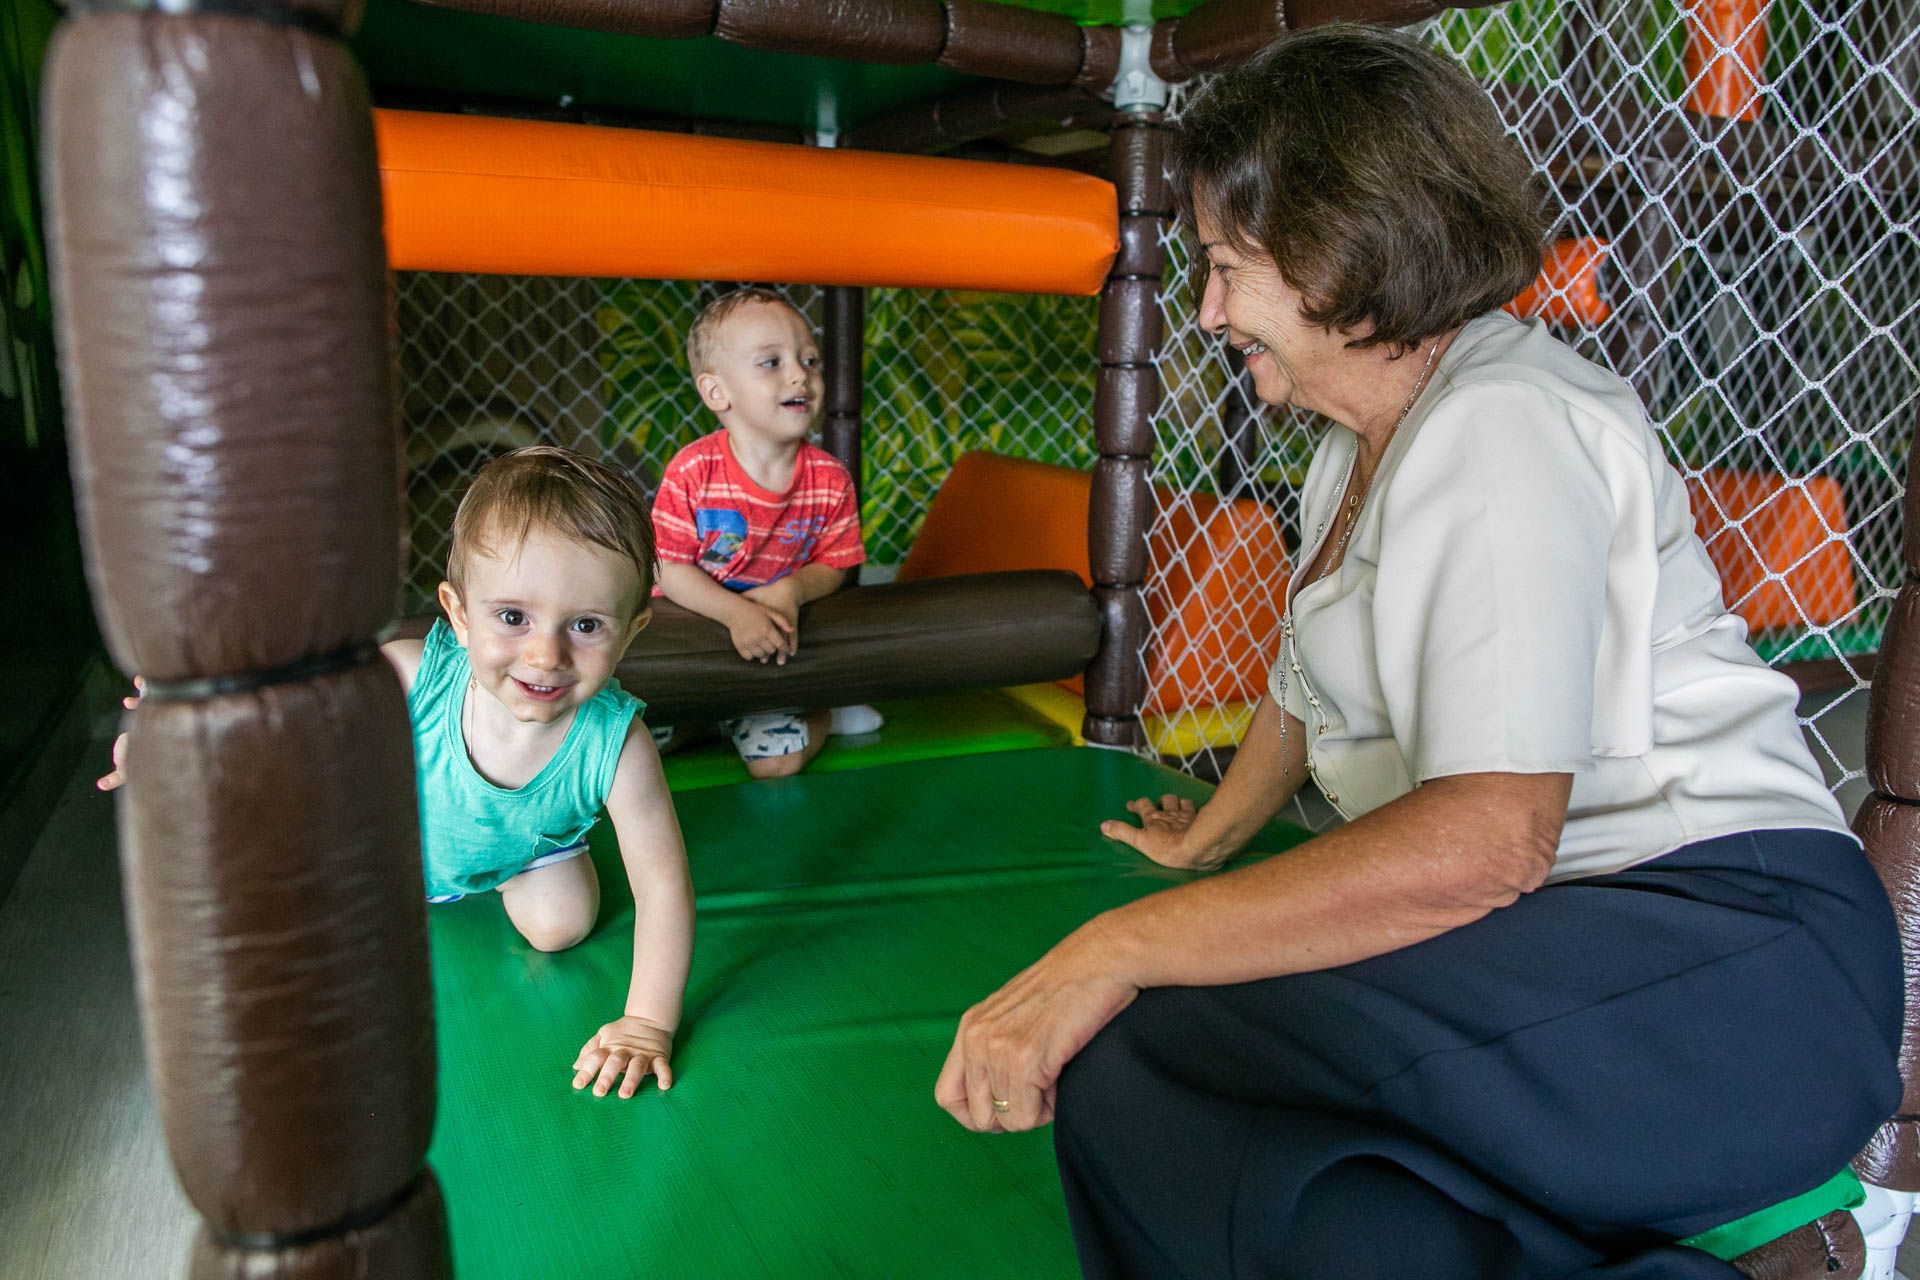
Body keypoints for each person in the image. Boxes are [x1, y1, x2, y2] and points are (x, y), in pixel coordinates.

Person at [934, 25, 1901, 1280]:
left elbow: (1491, 840)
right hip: (1585, 943)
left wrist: (1114, 943)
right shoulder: (1359, 441)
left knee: (1150, 1043)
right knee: (1217, 1116)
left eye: (1228, 268)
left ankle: (1792, 1229)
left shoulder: (1502, 421)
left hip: (1727, 964)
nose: (1212, 308)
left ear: (1344, 255)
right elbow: (1304, 674)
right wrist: (1212, 838)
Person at [105, 446, 694, 1102]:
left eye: (585, 626)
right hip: (382, 849)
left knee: (562, 926)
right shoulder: (413, 676)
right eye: (512, 617)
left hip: (520, 851)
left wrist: (646, 1022)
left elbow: (664, 889)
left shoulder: (617, 743)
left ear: (633, 629)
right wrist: (187, 731)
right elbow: (291, 706)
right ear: (460, 613)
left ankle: (524, 864)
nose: (544, 654)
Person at [649, 286, 880, 777]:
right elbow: (669, 570)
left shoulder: (829, 478)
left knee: (776, 765)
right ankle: (706, 720)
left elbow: (837, 562)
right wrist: (735, 614)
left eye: (810, 360)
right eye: (771, 362)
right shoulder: (693, 470)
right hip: (692, 644)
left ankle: (825, 713)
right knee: (627, 744)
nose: (801, 374)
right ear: (717, 392)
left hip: (771, 652)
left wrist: (789, 592)